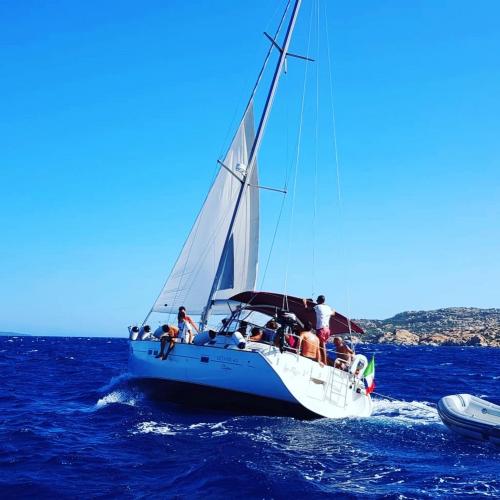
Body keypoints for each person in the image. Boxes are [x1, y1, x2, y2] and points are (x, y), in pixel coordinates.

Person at [303, 295, 335, 364]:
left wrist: (305, 303)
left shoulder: (317, 306)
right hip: (327, 330)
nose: (316, 302)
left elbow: (307, 310)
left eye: (317, 301)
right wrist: (333, 310)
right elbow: (333, 313)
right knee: (322, 345)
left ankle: (323, 362)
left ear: (319, 301)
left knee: (321, 345)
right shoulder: (328, 308)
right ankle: (323, 360)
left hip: (321, 329)